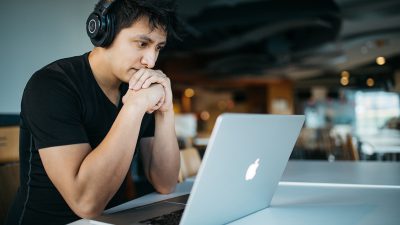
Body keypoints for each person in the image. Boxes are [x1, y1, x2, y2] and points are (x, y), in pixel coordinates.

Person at [5, 0, 181, 224]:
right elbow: (86, 203)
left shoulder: (137, 86)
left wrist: (166, 110)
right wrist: (135, 106)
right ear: (104, 32)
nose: (151, 61)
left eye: (158, 47)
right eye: (141, 43)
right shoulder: (51, 85)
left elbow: (165, 183)